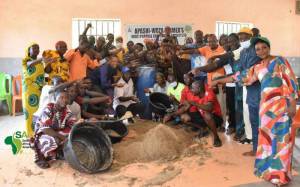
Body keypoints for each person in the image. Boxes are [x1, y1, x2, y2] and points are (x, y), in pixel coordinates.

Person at [241, 37, 298, 186]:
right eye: (258, 49)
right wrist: (218, 79)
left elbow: (291, 80)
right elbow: (243, 78)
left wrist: (292, 103)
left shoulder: (280, 61)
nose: (261, 51)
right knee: (267, 140)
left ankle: (281, 176)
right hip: (265, 109)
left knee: (282, 140)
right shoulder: (257, 67)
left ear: (269, 47)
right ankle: (267, 172)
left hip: (282, 106)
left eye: (264, 47)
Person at [32, 89, 81, 169]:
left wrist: (81, 122)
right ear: (55, 99)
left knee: (73, 133)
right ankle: (41, 157)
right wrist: (63, 138)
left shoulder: (67, 111)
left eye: (66, 98)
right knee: (55, 140)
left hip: (57, 131)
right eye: (61, 97)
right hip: (44, 133)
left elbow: (73, 123)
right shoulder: (49, 108)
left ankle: (57, 153)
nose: (64, 100)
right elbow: (45, 129)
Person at [185, 81, 223, 147]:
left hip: (216, 118)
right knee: (185, 117)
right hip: (204, 117)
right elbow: (185, 107)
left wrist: (195, 103)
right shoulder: (195, 96)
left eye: (193, 88)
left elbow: (209, 108)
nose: (191, 90)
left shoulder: (209, 94)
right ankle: (204, 129)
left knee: (207, 115)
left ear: (199, 89)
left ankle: (216, 138)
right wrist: (173, 113)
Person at [22, 43, 45, 137]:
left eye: (38, 48)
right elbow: (30, 65)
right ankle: (30, 134)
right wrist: (42, 58)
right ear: (29, 50)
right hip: (29, 90)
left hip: (39, 89)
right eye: (34, 48)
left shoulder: (40, 62)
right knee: (30, 112)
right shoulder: (26, 60)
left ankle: (37, 132)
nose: (36, 49)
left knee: (38, 111)